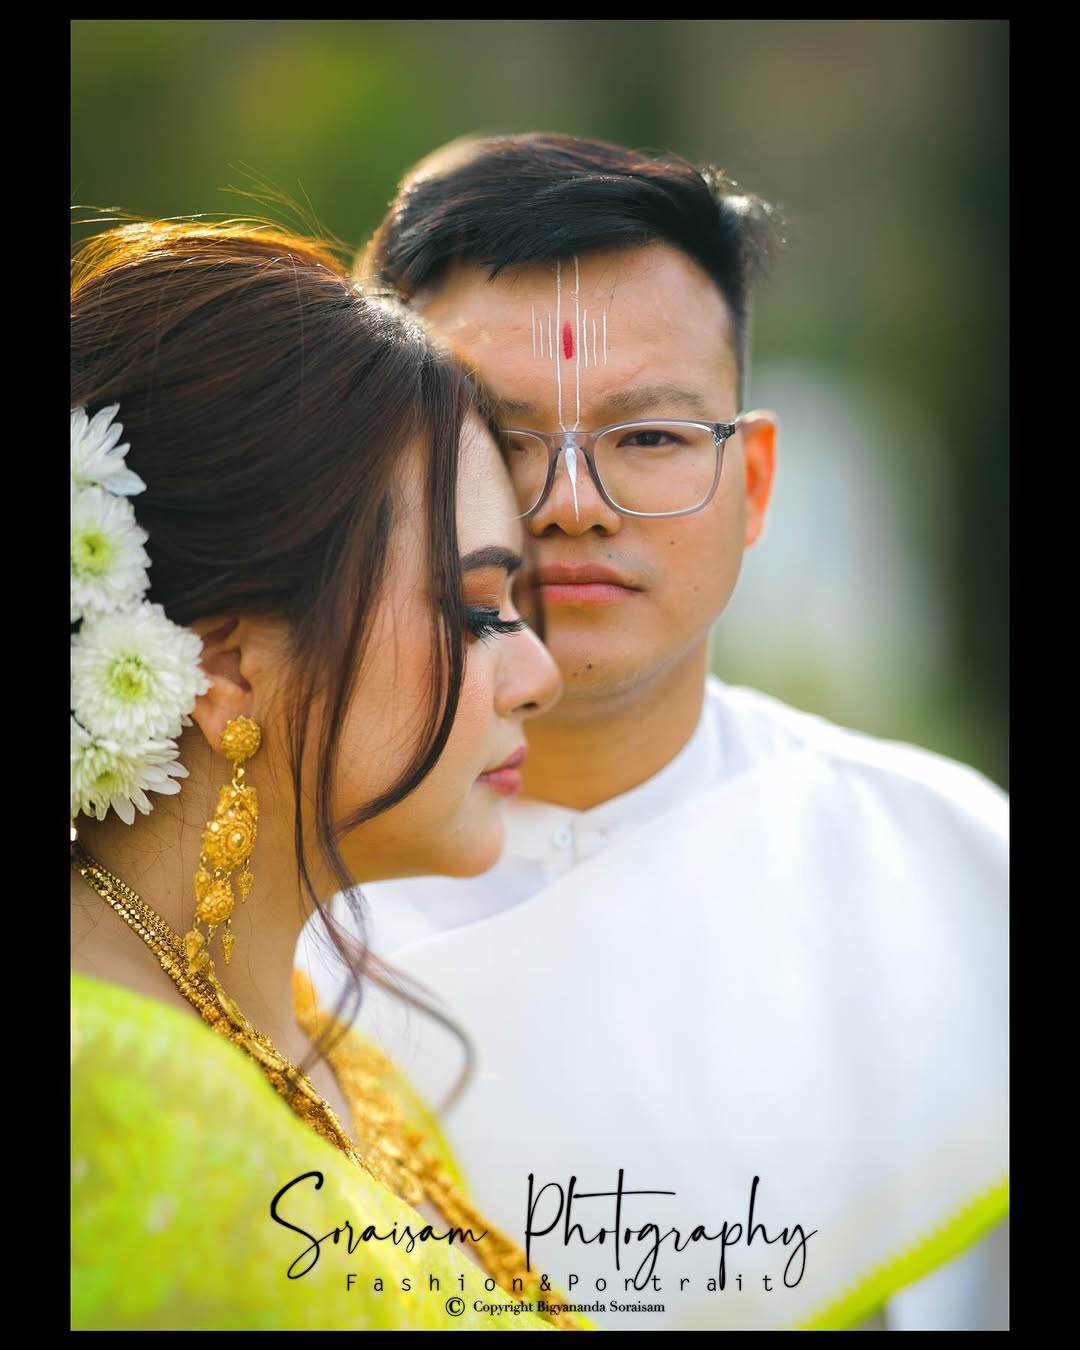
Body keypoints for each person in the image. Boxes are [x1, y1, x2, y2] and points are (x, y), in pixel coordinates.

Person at [303, 133, 1009, 1331]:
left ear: (757, 482)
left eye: (650, 438)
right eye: (500, 442)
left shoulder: (956, 873)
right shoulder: (253, 897)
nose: (573, 505)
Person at [69, 218, 590, 1330]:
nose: (538, 674)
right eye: (474, 610)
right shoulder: (105, 1100)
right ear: (226, 669)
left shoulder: (326, 1050)